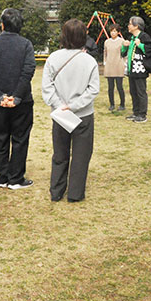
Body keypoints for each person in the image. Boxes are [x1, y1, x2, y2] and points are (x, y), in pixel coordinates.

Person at [41, 19, 100, 202]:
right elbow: (93, 90)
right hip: (83, 114)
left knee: (60, 153)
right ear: (83, 36)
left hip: (60, 114)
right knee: (81, 155)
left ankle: (56, 191)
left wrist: (59, 105)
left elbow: (47, 87)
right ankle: (75, 193)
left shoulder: (53, 58)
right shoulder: (89, 61)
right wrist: (74, 105)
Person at [0, 8, 36, 190]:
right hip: (22, 101)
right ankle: (15, 178)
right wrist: (17, 95)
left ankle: (2, 177)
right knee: (20, 139)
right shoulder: (26, 45)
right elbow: (28, 71)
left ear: (2, 25)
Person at [121, 16, 151, 123]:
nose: (128, 26)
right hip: (132, 70)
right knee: (133, 92)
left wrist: (140, 45)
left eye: (130, 24)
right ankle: (136, 112)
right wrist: (124, 46)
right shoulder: (132, 38)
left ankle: (142, 114)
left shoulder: (144, 36)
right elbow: (123, 54)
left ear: (136, 26)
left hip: (140, 70)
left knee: (141, 92)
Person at [103, 23, 125, 111]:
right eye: (112, 31)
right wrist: (105, 62)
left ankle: (122, 104)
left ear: (118, 32)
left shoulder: (122, 41)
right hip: (109, 65)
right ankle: (112, 104)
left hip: (119, 65)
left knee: (119, 86)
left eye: (115, 31)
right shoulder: (107, 42)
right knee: (110, 87)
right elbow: (105, 52)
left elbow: (125, 53)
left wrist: (125, 63)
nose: (113, 33)